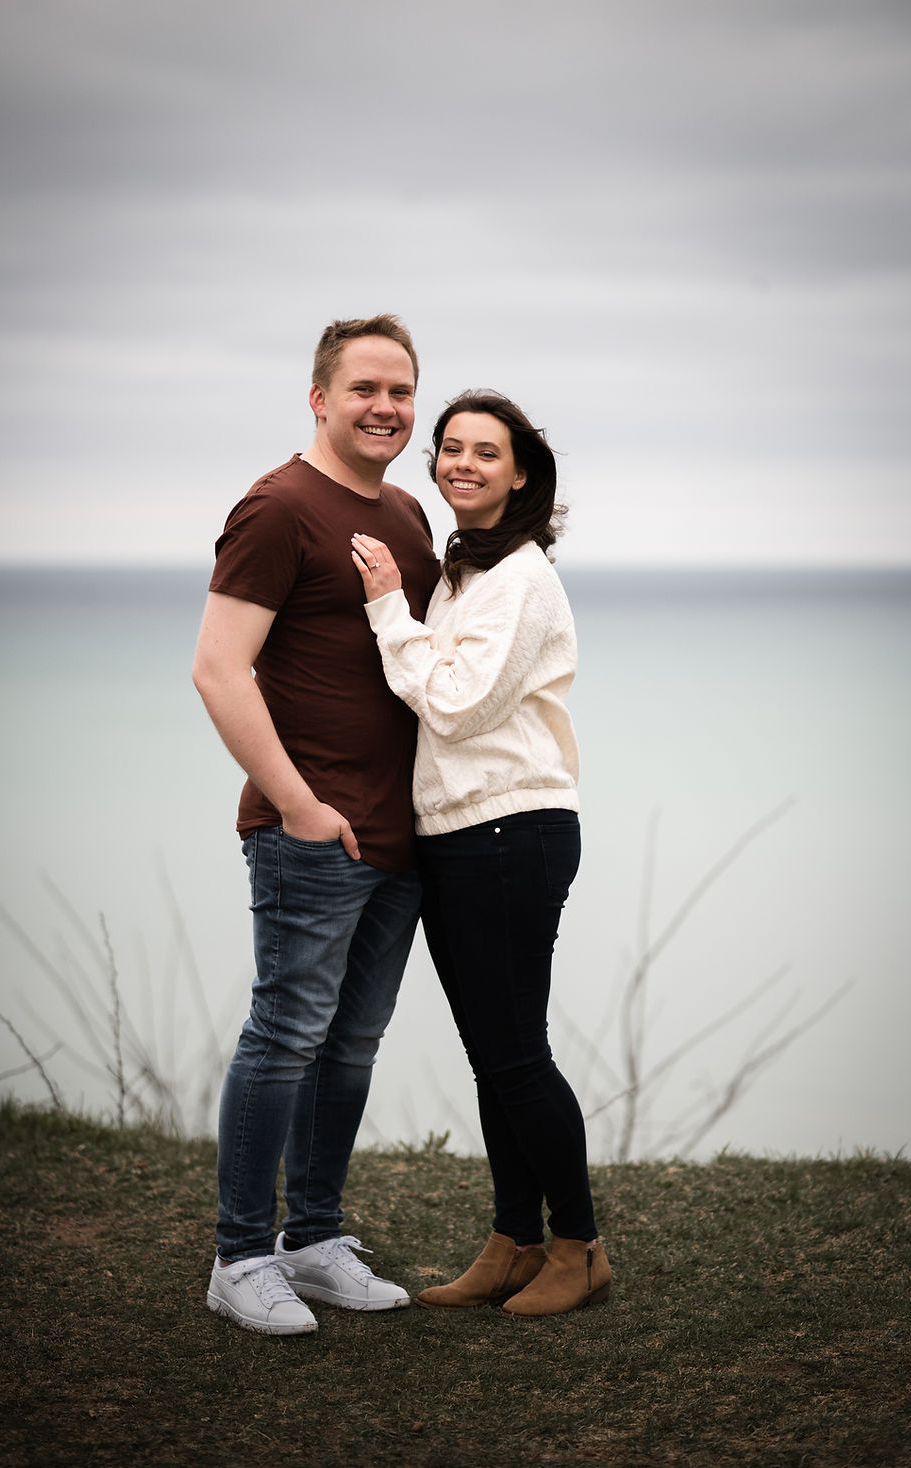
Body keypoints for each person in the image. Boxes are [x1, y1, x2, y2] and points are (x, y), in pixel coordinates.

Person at [192, 314, 439, 1336]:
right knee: (285, 1035)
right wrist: (295, 803)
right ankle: (241, 1254)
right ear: (319, 398)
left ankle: (315, 1237)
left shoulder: (411, 517)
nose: (383, 408)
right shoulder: (278, 506)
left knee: (351, 1044)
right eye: (363, 390)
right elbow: (217, 666)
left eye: (399, 391)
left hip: (400, 833)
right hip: (312, 832)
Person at [350, 390, 611, 1318]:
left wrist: (387, 606)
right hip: (458, 838)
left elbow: (456, 704)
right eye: (450, 448)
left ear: (522, 473)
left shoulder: (523, 578)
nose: (462, 463)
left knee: (516, 1055)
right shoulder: (467, 570)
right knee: (493, 1055)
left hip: (513, 832)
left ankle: (579, 1247)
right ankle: (513, 1241)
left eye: (485, 453)